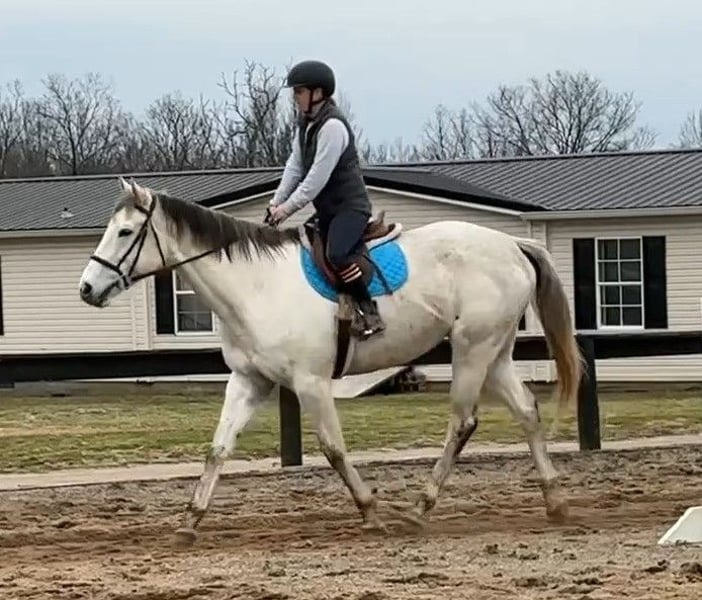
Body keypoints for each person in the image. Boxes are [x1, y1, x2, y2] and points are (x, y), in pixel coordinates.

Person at [266, 59, 385, 338]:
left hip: (350, 208)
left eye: (299, 91)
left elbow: (315, 181)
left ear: (317, 93)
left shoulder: (332, 127)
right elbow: (295, 166)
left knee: (337, 253)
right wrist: (275, 201)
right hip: (328, 211)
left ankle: (368, 311)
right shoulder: (306, 124)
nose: (294, 98)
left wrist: (286, 210)